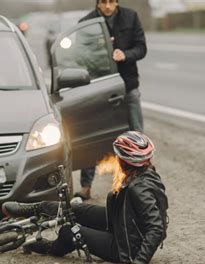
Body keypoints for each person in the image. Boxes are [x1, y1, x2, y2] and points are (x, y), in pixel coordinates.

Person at [2, 131, 167, 264]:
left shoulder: (139, 188)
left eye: (119, 156)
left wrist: (139, 262)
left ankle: (50, 247)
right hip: (121, 223)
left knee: (70, 231)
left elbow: (156, 227)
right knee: (76, 209)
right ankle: (34, 209)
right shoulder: (143, 172)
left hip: (124, 247)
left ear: (127, 160)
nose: (116, 158)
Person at [76, 0, 147, 200]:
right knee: (91, 135)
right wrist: (101, 56)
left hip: (128, 85)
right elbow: (80, 56)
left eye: (111, 1)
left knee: (136, 134)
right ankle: (85, 187)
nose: (108, 6)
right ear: (97, 3)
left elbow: (141, 48)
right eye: (103, 2)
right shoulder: (86, 23)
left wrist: (125, 54)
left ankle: (141, 182)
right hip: (98, 89)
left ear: (117, 2)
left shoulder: (130, 17)